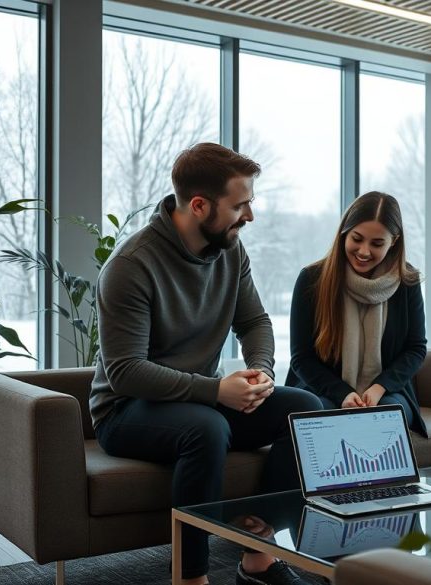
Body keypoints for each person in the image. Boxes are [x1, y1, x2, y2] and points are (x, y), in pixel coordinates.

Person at [89, 143, 323, 585]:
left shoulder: (231, 252)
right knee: (207, 427)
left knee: (305, 408)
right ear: (199, 206)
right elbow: (126, 371)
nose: (249, 215)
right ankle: (190, 577)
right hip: (126, 411)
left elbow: (254, 320)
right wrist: (216, 391)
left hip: (196, 400)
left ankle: (258, 555)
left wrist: (262, 372)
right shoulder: (131, 266)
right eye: (240, 205)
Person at [286, 191, 428, 436]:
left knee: (386, 413)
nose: (363, 251)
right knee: (324, 414)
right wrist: (343, 393)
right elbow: (301, 357)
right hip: (322, 389)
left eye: (376, 243)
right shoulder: (312, 279)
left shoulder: (407, 281)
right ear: (344, 233)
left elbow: (416, 348)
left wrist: (379, 388)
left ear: (393, 241)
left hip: (386, 391)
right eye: (357, 239)